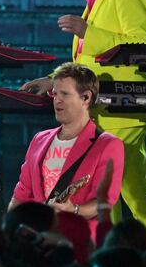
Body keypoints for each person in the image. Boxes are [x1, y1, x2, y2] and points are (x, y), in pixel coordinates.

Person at [21, 0, 146, 225]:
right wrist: (55, 82)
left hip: (124, 106)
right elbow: (89, 63)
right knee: (132, 185)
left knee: (102, 180)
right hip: (107, 106)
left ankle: (105, 247)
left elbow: (140, 44)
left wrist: (89, 32)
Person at [11, 63, 125, 233]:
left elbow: (104, 201)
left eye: (64, 94)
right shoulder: (39, 139)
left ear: (86, 98)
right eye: (55, 93)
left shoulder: (108, 144)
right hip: (38, 242)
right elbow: (21, 194)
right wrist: (10, 228)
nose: (57, 100)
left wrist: (75, 210)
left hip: (79, 241)